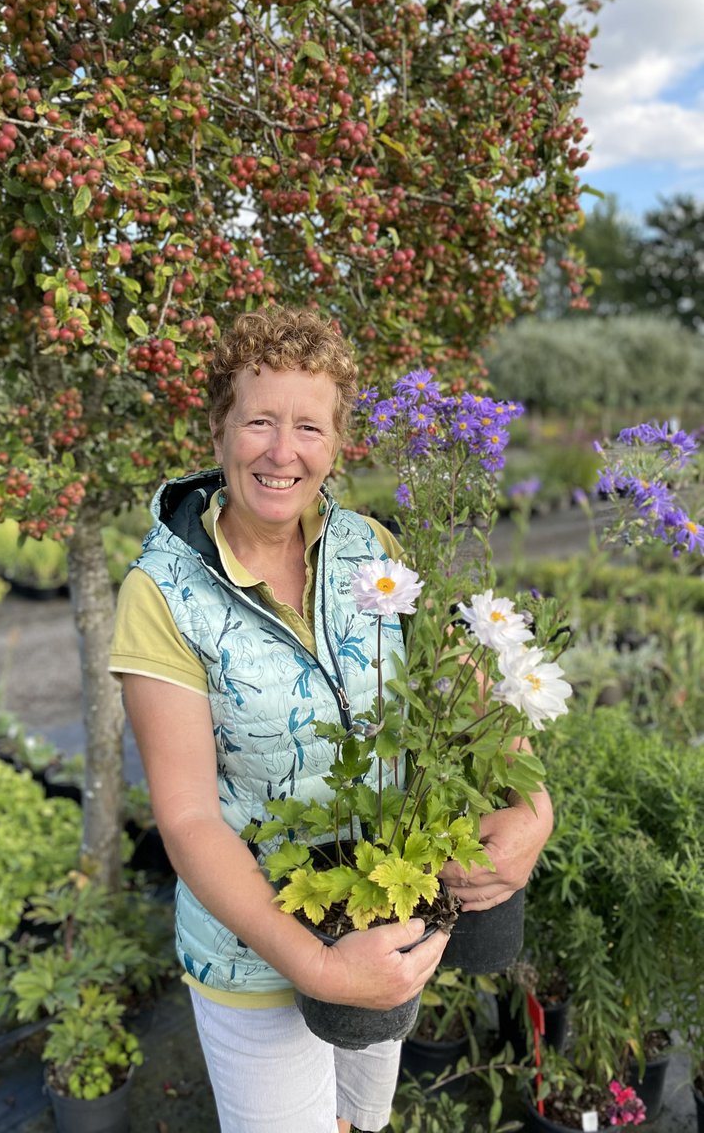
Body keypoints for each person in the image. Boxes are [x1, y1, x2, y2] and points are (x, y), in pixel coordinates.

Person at [109, 306, 553, 1133]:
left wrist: (534, 806)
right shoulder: (162, 595)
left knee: (362, 1121)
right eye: (260, 422)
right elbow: (188, 819)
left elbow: (472, 687)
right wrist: (319, 965)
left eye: (309, 426)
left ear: (338, 443)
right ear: (218, 429)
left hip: (383, 922)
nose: (284, 452)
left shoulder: (370, 549)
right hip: (256, 956)